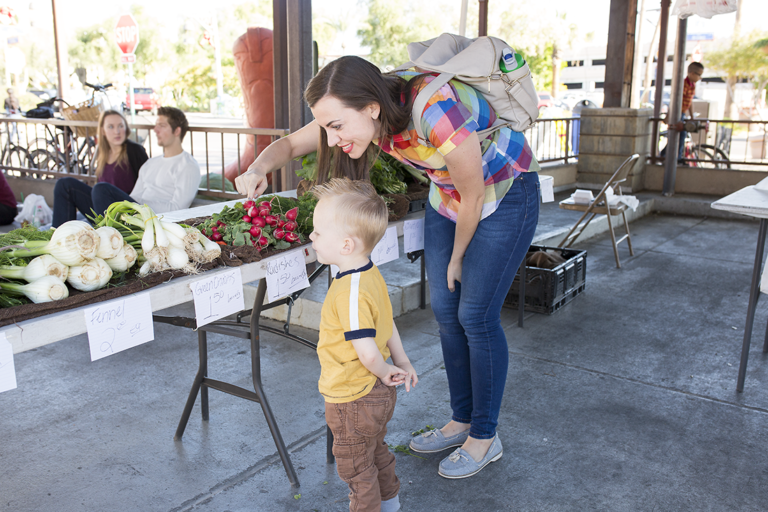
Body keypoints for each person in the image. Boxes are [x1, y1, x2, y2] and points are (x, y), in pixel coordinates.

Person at [235, 55, 540, 479]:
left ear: (372, 108)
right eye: (326, 126)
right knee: (447, 312)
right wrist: (256, 169)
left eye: (336, 126)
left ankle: (485, 436)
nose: (330, 136)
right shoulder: (356, 112)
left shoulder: (434, 111)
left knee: (476, 315)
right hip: (448, 194)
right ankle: (461, 420)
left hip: (505, 188)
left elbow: (474, 197)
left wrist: (456, 258)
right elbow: (286, 145)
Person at [310, 177, 417, 512]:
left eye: (317, 231)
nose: (311, 236)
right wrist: (402, 362)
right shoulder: (370, 275)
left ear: (345, 245)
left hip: (353, 396)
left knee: (356, 469)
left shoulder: (349, 292)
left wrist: (385, 370)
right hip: (376, 395)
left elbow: (368, 351)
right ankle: (391, 504)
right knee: (375, 451)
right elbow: (386, 328)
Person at [92, 106, 200, 215]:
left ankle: (103, 229)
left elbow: (177, 208)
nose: (155, 130)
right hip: (135, 212)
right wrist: (134, 204)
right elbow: (134, 197)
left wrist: (139, 205)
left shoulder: (188, 166)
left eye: (161, 126)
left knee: (102, 189)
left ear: (177, 131)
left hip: (152, 218)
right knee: (81, 188)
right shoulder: (150, 163)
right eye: (156, 125)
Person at [52, 109, 148, 227]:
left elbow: (149, 185)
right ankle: (60, 236)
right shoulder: (102, 153)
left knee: (100, 188)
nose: (117, 131)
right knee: (64, 184)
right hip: (103, 209)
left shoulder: (134, 150)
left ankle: (108, 236)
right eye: (111, 127)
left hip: (126, 212)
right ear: (103, 131)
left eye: (120, 126)